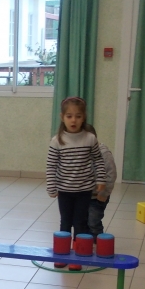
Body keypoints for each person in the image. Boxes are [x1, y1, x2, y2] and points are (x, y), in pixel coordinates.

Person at [46, 97, 105, 270]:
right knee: (65, 222)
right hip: (64, 190)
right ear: (62, 117)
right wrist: (51, 186)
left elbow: (98, 160)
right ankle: (62, 253)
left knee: (80, 222)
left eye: (78, 116)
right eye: (69, 116)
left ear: (83, 117)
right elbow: (51, 165)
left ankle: (78, 256)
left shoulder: (90, 138)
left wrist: (101, 179)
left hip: (84, 191)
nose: (73, 120)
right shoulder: (57, 141)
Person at [88, 126, 117, 237]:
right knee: (83, 221)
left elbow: (111, 175)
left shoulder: (104, 153)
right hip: (84, 195)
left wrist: (104, 193)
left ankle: (97, 241)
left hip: (98, 196)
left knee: (93, 222)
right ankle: (86, 242)